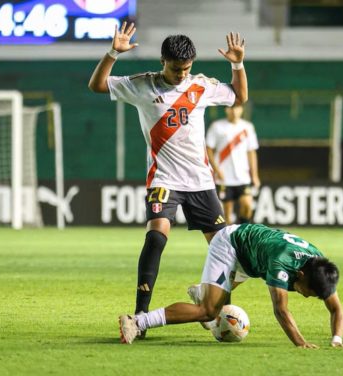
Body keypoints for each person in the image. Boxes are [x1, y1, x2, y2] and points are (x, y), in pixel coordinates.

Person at [88, 22, 248, 337]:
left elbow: (239, 97)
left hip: (201, 183)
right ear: (163, 62)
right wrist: (112, 54)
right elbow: (97, 85)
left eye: (186, 68)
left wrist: (237, 63)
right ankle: (140, 316)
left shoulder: (201, 86)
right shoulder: (142, 85)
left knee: (229, 253)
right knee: (156, 237)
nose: (181, 74)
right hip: (163, 179)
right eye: (176, 69)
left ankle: (208, 300)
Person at [119, 223, 343, 348]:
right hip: (232, 245)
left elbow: (336, 308)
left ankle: (202, 291)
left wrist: (337, 339)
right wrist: (301, 343)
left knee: (210, 302)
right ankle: (137, 321)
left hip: (254, 259)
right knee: (208, 312)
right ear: (300, 274)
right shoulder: (281, 262)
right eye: (309, 292)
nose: (307, 297)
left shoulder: (320, 268)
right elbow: (281, 310)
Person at [206, 104, 260, 224]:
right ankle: (229, 240)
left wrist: (254, 175)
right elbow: (208, 150)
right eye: (231, 108)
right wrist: (216, 170)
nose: (234, 111)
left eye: (237, 108)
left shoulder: (247, 127)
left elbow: (251, 152)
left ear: (241, 109)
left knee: (247, 206)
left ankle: (242, 232)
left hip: (243, 177)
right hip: (224, 178)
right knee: (227, 214)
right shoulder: (217, 127)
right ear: (226, 109)